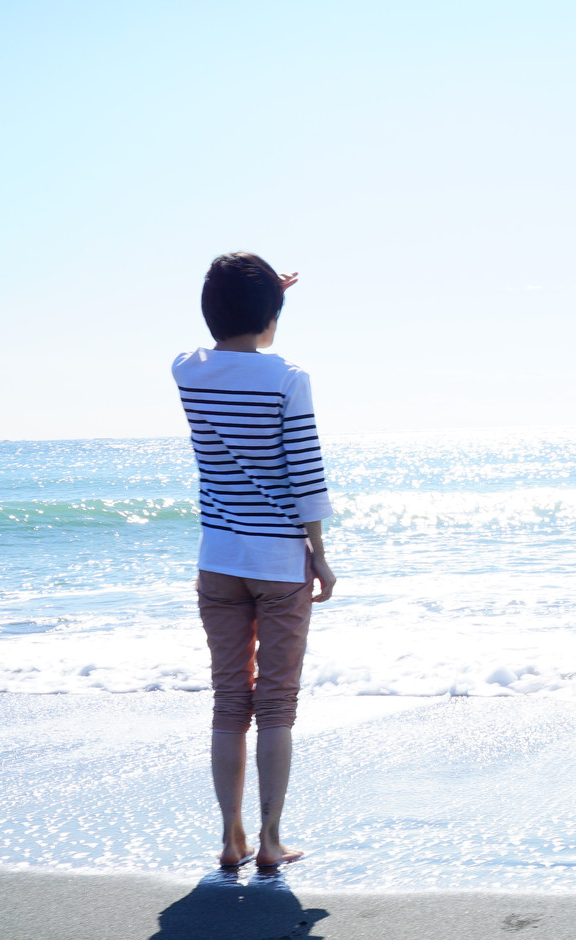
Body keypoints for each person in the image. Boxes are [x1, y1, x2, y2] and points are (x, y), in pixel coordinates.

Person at [172, 251, 336, 868]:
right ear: (272, 313)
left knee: (228, 700)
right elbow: (306, 474)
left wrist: (263, 293)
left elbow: (216, 339)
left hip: (218, 560)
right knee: (275, 705)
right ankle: (269, 841)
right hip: (279, 564)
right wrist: (320, 555)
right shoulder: (288, 378)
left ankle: (230, 839)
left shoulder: (187, 371)